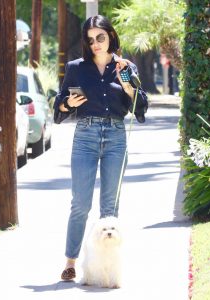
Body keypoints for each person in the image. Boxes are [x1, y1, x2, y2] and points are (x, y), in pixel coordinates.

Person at [54, 15, 147, 281]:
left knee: (110, 207)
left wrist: (128, 86)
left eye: (100, 37)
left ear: (111, 36)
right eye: (90, 39)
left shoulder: (126, 66)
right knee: (80, 204)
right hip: (85, 135)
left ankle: (108, 268)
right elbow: (59, 106)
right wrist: (68, 103)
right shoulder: (76, 68)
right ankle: (71, 262)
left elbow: (140, 106)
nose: (95, 44)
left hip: (117, 135)